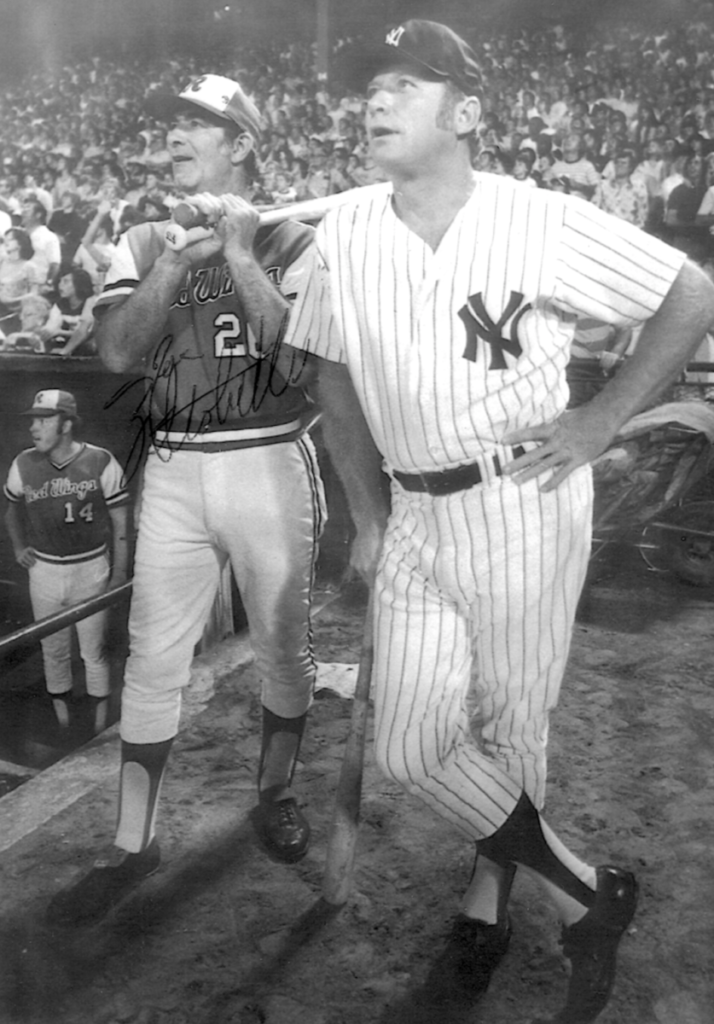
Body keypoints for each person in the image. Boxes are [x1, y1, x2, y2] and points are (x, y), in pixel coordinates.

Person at [283, 20, 714, 1024]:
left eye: (403, 84)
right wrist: (365, 512)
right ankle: (587, 892)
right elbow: (330, 372)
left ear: (466, 112)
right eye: (368, 86)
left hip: (521, 499)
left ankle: (492, 897)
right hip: (414, 512)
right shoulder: (345, 226)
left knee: (512, 724)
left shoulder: (541, 219)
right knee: (413, 745)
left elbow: (690, 291)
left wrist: (605, 419)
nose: (374, 101)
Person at [45, 73, 325, 929]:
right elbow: (120, 355)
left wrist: (239, 252)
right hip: (172, 463)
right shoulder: (139, 239)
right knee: (154, 660)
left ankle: (273, 792)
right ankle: (134, 843)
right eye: (172, 121)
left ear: (240, 143)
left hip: (268, 456)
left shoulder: (294, 237)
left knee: (283, 647)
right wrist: (175, 259)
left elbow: (300, 362)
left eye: (198, 125)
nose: (175, 134)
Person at [3, 389, 129, 734]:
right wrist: (18, 547)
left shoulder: (100, 460)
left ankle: (99, 729)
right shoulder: (23, 463)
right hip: (43, 569)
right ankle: (65, 728)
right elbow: (11, 509)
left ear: (68, 423)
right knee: (53, 650)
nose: (34, 428)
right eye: (32, 420)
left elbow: (121, 520)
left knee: (94, 651)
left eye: (44, 419)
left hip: (90, 567)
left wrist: (119, 573)